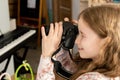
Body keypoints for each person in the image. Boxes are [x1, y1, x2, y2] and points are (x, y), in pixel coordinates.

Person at [36, 5, 120, 80]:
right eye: (77, 33)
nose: (76, 41)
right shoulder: (110, 65)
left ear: (106, 42)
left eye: (83, 35)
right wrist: (63, 47)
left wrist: (46, 56)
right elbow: (76, 70)